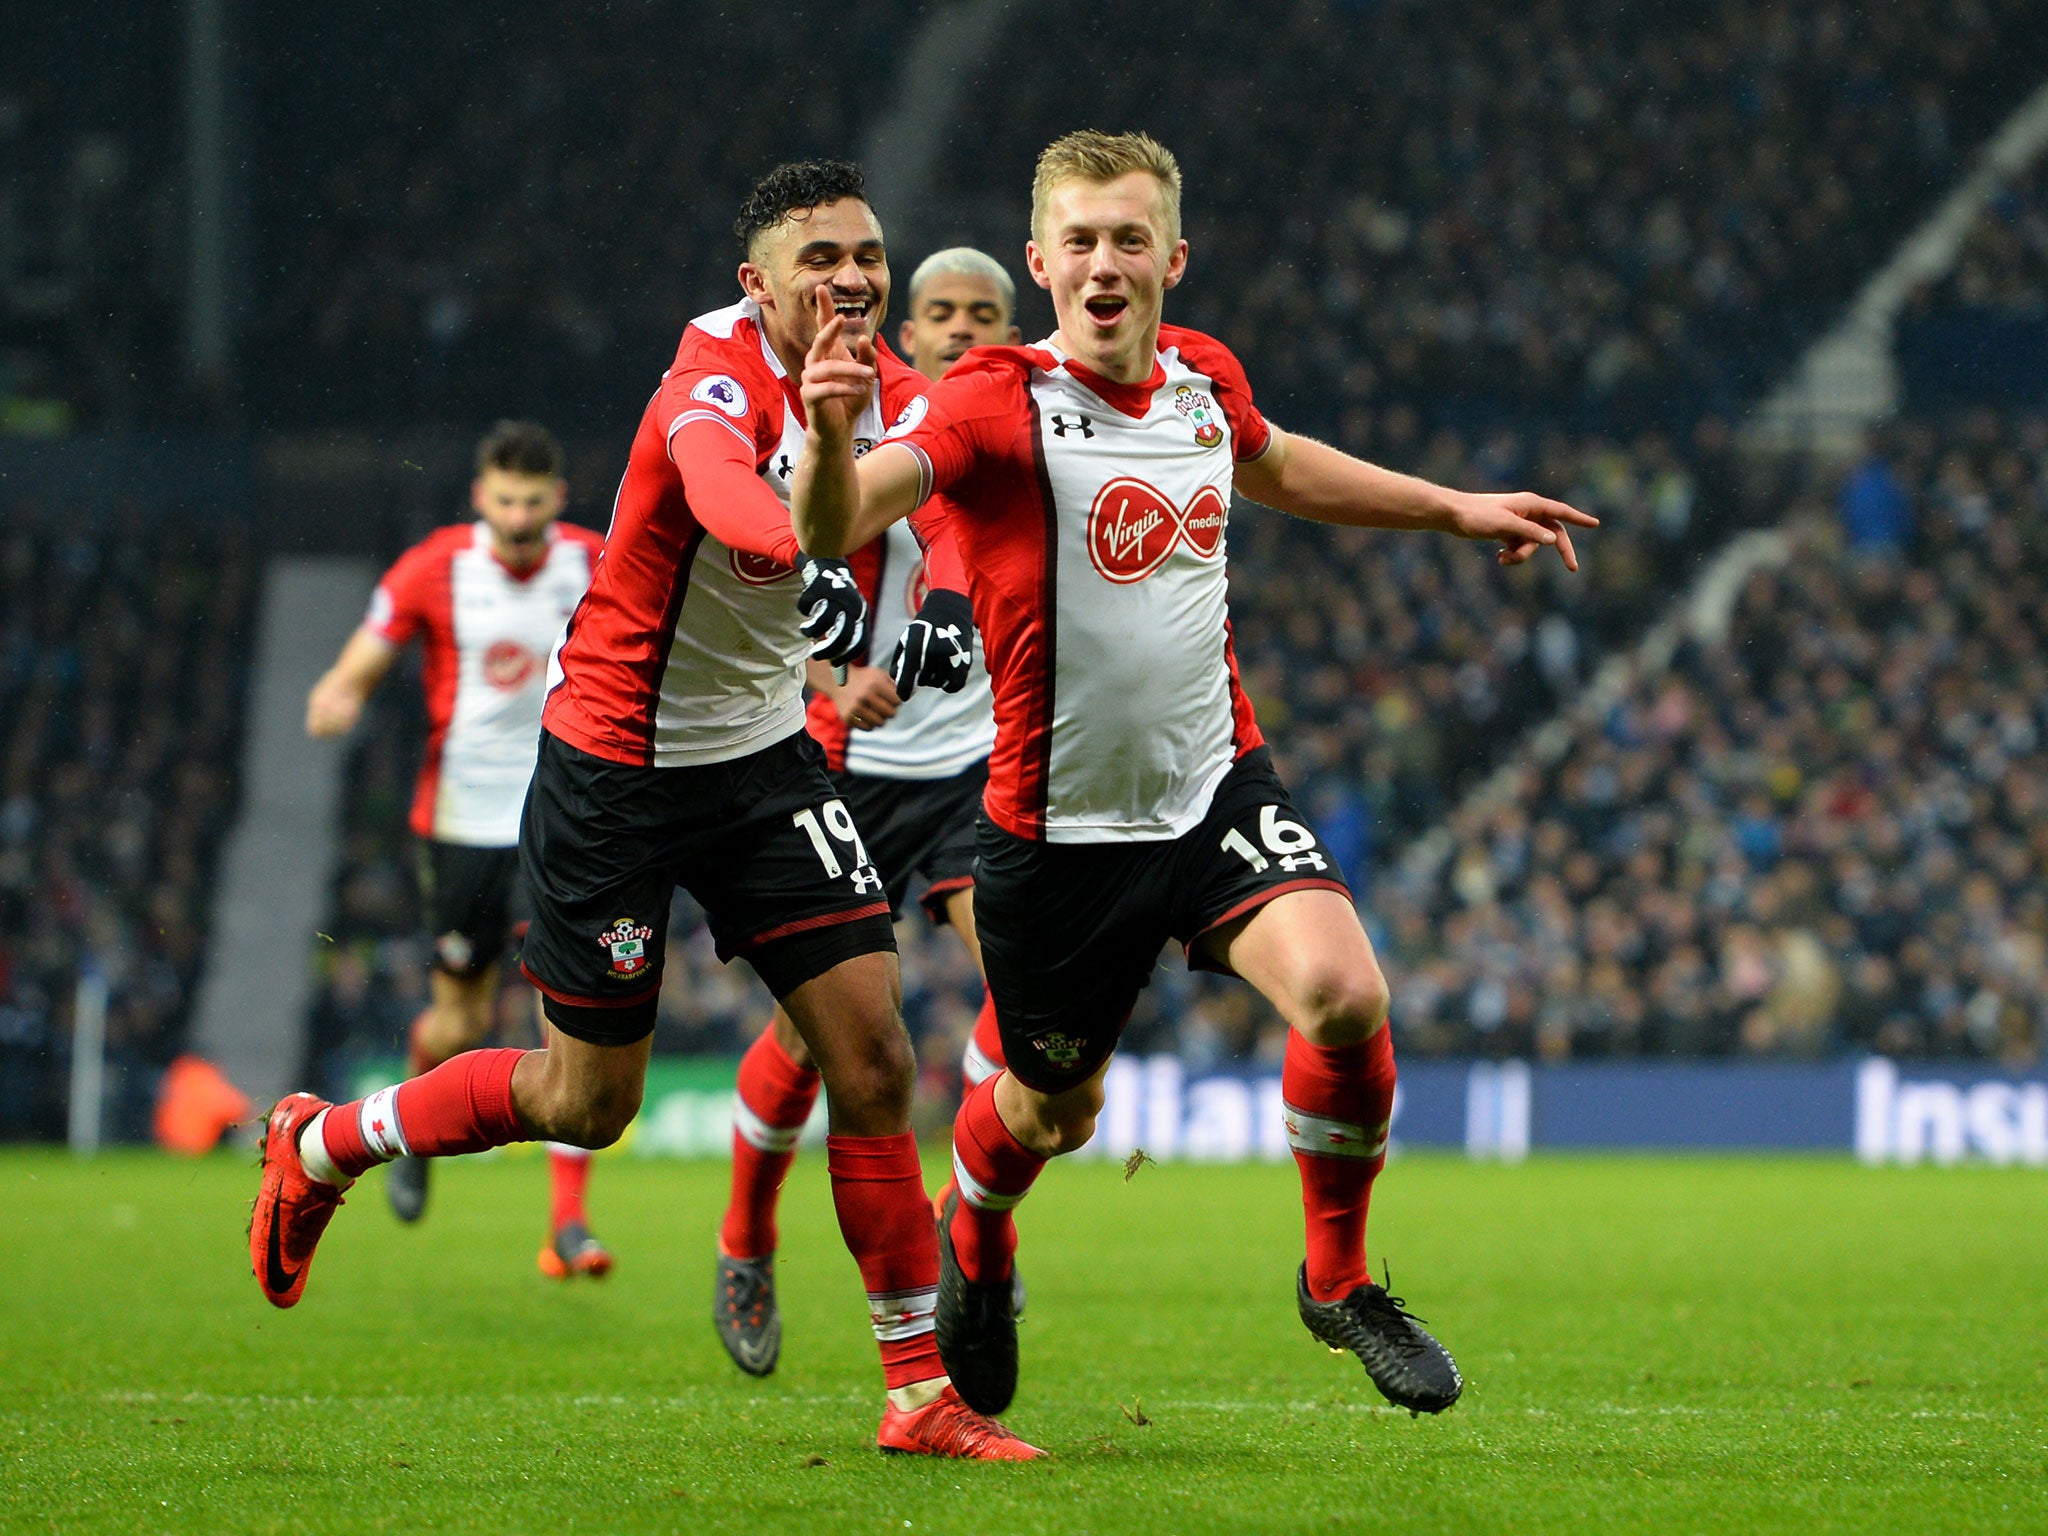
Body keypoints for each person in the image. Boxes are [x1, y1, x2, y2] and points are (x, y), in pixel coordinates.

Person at [790, 130, 1597, 1420]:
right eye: (1081, 240)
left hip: (1215, 786)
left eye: (1129, 238)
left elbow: (1275, 466)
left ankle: (1333, 1282)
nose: (1105, 263)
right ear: (1039, 258)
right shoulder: (992, 396)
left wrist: (1452, 507)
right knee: (1051, 1114)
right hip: (1056, 835)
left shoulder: (1202, 379)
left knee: (1341, 993)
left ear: (1172, 256)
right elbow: (833, 523)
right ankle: (978, 1234)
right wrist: (832, 435)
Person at [253, 160, 1041, 1462]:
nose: (851, 280)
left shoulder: (882, 377)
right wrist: (810, 563)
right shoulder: (708, 381)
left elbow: (943, 483)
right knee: (585, 1103)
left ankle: (918, 1392)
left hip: (765, 768)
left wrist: (948, 600)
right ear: (757, 284)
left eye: (866, 256)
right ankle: (328, 1139)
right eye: (820, 261)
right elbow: (729, 494)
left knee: (876, 1057)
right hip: (616, 772)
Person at [714, 247, 1024, 1378]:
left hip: (979, 767)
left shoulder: (1034, 410)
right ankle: (745, 1234)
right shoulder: (866, 403)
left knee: (1027, 986)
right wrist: (825, 675)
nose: (956, 328)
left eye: (980, 314)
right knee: (813, 1037)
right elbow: (783, 557)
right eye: (937, 310)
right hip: (846, 763)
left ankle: (973, 1212)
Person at [304, 421, 612, 1277]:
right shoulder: (438, 564)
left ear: (557, 499)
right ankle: (416, 1122)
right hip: (459, 820)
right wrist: (339, 689)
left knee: (572, 1016)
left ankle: (570, 1224)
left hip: (561, 816)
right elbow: (372, 649)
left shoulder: (592, 559)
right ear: (482, 496)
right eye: (505, 500)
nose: (519, 516)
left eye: (534, 500)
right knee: (462, 1019)